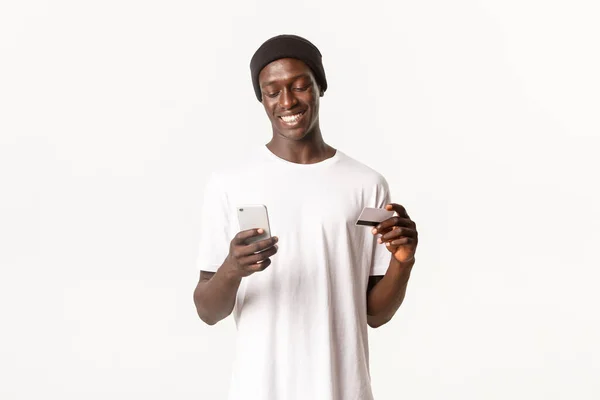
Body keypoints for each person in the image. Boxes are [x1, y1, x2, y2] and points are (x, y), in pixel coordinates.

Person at [193, 34, 419, 400]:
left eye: (300, 86)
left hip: (342, 388)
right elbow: (207, 310)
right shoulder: (230, 183)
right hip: (260, 389)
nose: (287, 101)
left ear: (320, 88)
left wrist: (403, 263)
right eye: (272, 91)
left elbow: (375, 315)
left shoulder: (365, 184)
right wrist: (232, 269)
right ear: (261, 98)